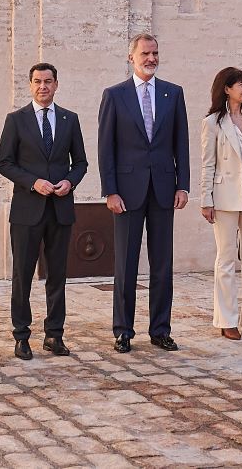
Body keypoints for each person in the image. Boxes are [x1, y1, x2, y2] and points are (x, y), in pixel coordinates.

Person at [98, 33, 190, 353]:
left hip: (164, 190)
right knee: (126, 264)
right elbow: (105, 148)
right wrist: (110, 191)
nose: (151, 58)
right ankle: (123, 330)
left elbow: (182, 143)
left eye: (155, 53)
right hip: (127, 192)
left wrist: (183, 184)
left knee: (162, 264)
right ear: (131, 58)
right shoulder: (114, 95)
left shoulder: (173, 93)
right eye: (145, 53)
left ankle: (160, 329)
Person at [0, 62, 88, 359]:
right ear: (30, 84)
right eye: (37, 81)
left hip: (60, 209)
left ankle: (54, 335)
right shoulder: (16, 120)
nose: (43, 87)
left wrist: (69, 181)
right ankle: (21, 336)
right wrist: (32, 182)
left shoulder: (69, 119)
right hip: (27, 210)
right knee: (22, 276)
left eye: (48, 81)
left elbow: (81, 163)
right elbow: (5, 163)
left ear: (56, 84)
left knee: (57, 276)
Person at [199, 67, 242, 341]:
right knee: (226, 259)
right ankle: (226, 319)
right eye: (241, 84)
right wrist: (206, 200)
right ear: (227, 88)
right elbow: (207, 164)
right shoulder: (213, 122)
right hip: (225, 199)